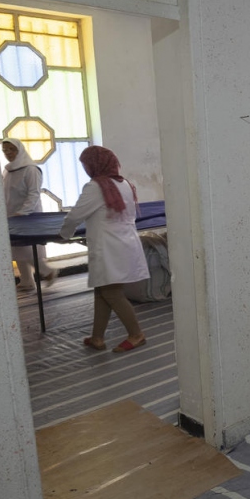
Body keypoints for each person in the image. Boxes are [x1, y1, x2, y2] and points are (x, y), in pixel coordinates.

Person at [60, 146, 149, 353]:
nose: (85, 169)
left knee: (111, 292)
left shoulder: (95, 186)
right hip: (124, 243)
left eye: (86, 165)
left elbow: (75, 215)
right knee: (102, 290)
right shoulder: (124, 183)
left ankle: (136, 334)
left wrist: (63, 234)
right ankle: (97, 337)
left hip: (108, 246)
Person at [2, 138, 57, 291]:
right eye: (5, 151)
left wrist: (23, 212)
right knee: (17, 247)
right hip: (12, 214)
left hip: (28, 216)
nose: (8, 153)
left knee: (27, 249)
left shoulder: (31, 169)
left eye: (11, 150)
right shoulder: (8, 170)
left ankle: (48, 272)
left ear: (20, 150)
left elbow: (33, 194)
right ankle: (26, 280)